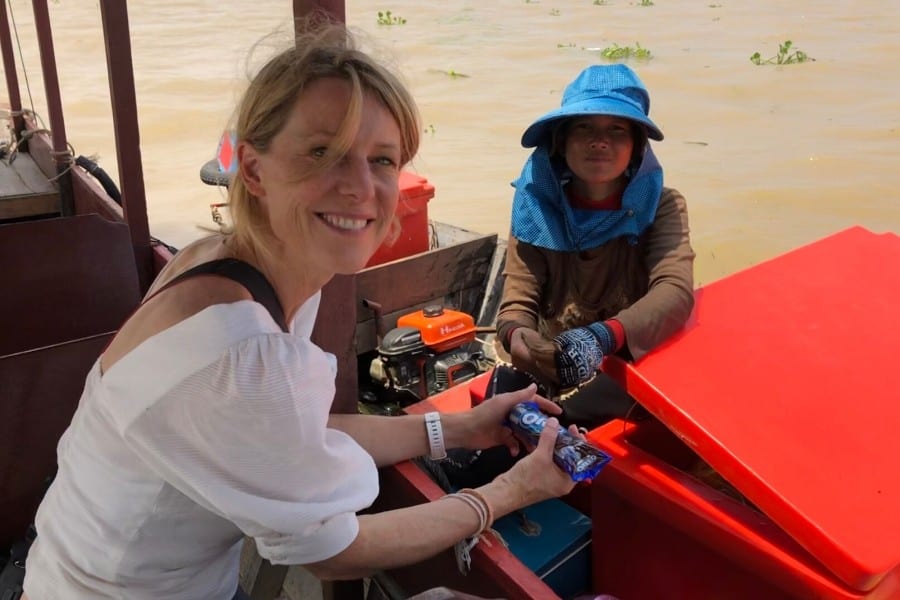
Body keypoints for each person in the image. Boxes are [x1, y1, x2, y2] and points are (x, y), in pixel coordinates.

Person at [22, 23, 578, 600]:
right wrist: (508, 493)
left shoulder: (228, 264)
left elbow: (304, 431)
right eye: (322, 152)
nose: (361, 187)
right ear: (256, 171)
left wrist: (462, 427)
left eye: (382, 159)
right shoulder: (241, 352)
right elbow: (335, 553)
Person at [496, 64, 695, 428]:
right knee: (512, 413)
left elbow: (675, 291)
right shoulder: (535, 207)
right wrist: (518, 338)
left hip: (626, 358)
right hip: (555, 359)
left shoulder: (663, 206)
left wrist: (601, 338)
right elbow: (517, 301)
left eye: (616, 129)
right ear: (560, 140)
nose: (599, 141)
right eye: (584, 126)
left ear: (636, 147)